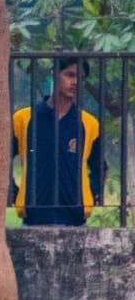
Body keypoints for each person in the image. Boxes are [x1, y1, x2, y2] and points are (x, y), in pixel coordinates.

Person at [11, 56, 104, 226]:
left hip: (75, 219)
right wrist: (14, 193)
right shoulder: (24, 119)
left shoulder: (89, 124)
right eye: (70, 75)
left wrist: (89, 195)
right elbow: (1, 162)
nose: (76, 82)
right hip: (33, 217)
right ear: (54, 74)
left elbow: (100, 167)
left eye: (81, 78)